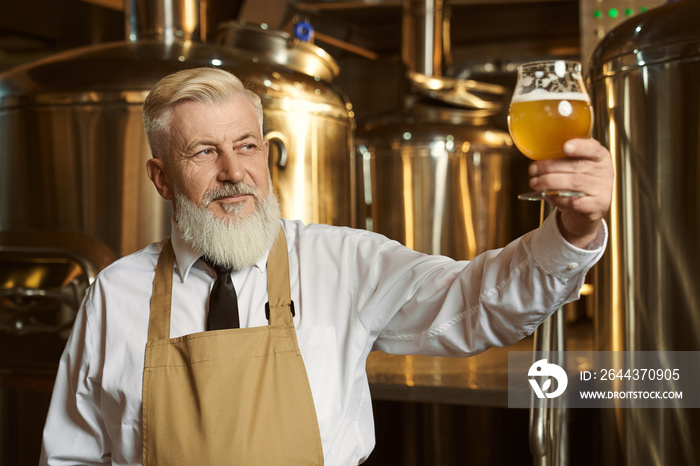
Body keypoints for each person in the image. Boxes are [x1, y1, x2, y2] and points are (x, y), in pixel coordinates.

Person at [40, 67, 613, 465]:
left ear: (265, 154)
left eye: (246, 146)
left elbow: (474, 303)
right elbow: (72, 455)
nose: (234, 172)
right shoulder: (115, 295)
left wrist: (572, 232)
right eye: (204, 152)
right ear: (161, 178)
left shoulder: (342, 262)